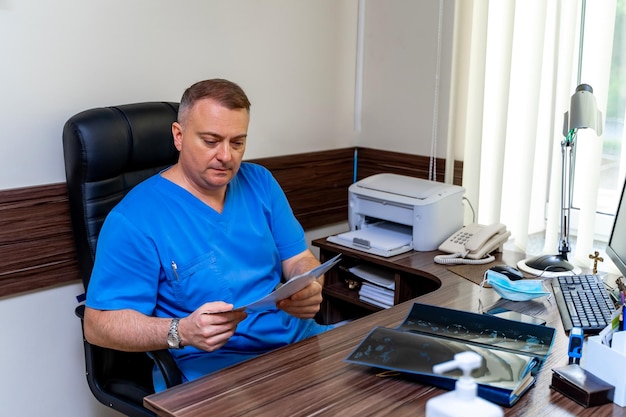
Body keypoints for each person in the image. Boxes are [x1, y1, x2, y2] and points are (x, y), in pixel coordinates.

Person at [84, 78, 332, 391]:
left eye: (237, 142)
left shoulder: (261, 183)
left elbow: (299, 260)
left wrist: (309, 284)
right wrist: (181, 331)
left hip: (299, 344)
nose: (226, 156)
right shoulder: (134, 218)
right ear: (179, 136)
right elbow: (98, 325)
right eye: (211, 141)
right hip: (215, 370)